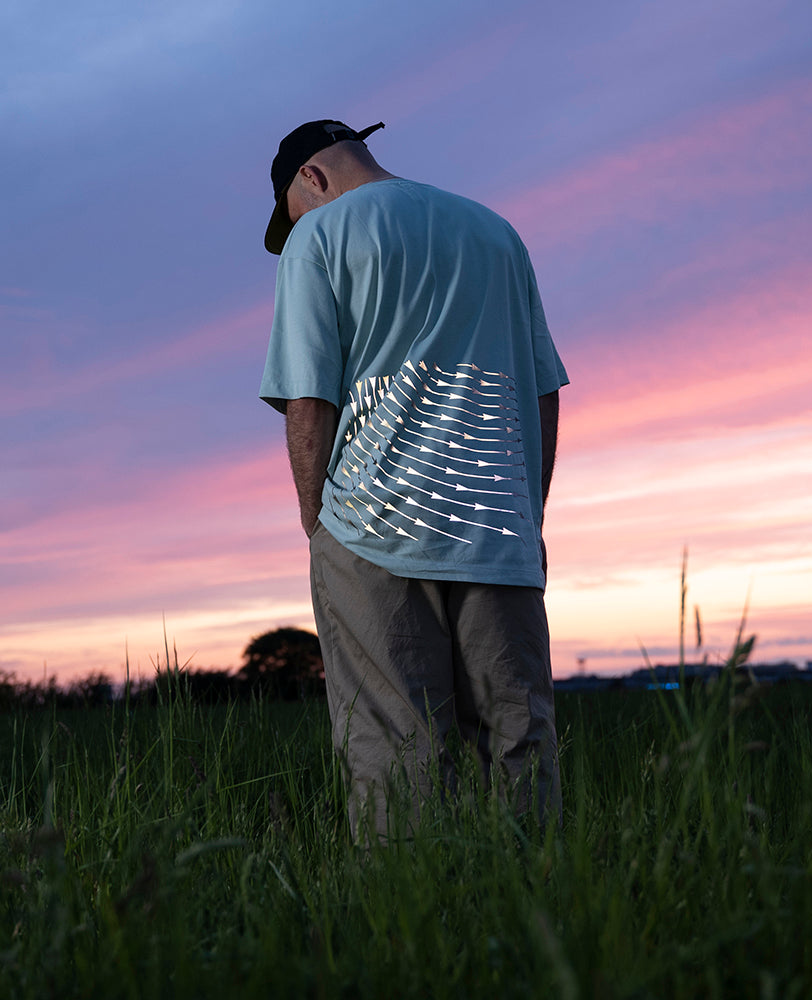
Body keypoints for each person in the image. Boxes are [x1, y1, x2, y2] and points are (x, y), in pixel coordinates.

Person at [259, 119, 567, 839]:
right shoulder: (495, 232)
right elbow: (544, 389)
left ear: (313, 179)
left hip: (372, 527)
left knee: (398, 746)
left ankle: (413, 933)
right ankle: (536, 919)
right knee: (519, 736)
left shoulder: (321, 235)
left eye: (295, 211)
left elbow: (309, 398)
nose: (299, 225)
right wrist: (526, 513)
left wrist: (317, 526)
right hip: (497, 527)